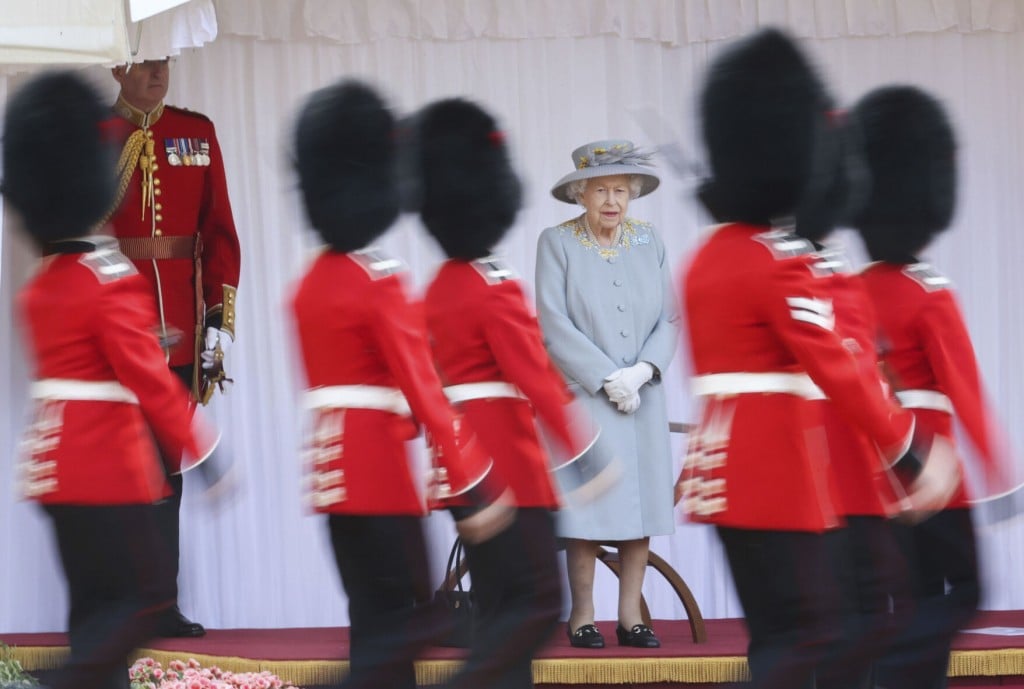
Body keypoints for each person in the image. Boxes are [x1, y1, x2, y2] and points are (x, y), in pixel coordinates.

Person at [674, 29, 955, 689]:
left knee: (785, 636)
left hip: (718, 475)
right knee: (810, 636)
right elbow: (837, 366)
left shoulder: (706, 256)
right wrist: (908, 451)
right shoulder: (775, 262)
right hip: (775, 475)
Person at [289, 80, 510, 689]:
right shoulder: (379, 279)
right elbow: (422, 388)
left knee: (372, 620)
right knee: (416, 617)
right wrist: (475, 480)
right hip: (379, 472)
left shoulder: (308, 285)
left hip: (331, 476)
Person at [4, 71, 217, 689]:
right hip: (107, 467)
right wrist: (205, 448)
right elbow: (148, 378)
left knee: (92, 613)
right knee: (143, 602)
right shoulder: (109, 276)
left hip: (51, 469)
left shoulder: (42, 284)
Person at [410, 97, 610, 688]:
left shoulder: (438, 288)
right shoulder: (493, 285)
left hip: (458, 465)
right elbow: (535, 376)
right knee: (535, 606)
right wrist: (583, 450)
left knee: (500, 607)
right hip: (507, 465)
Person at [850, 85, 1010, 689]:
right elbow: (964, 390)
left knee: (913, 601)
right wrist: (1002, 477)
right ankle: (893, 674)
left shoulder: (850, 290)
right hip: (935, 465)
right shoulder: (930, 292)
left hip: (877, 469)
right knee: (966, 592)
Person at [99, 57, 242, 637]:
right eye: (144, 62)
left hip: (179, 325)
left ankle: (159, 605)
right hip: (114, 328)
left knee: (167, 472)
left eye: (164, 61)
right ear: (117, 68)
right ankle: (114, 606)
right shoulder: (96, 138)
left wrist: (217, 321)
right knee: (113, 472)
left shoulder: (196, 133)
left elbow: (219, 233)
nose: (158, 72)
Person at [536, 139, 677, 649]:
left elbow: (670, 316)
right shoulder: (557, 242)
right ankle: (583, 617)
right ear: (580, 195)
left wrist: (642, 371)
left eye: (621, 189)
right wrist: (605, 377)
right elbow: (552, 321)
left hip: (643, 397)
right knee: (587, 513)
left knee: (639, 510)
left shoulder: (650, 240)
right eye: (601, 191)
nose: (612, 200)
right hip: (586, 397)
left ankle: (632, 617)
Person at [791, 110, 913, 689]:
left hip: (860, 457)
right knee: (829, 618)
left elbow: (867, 361)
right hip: (817, 459)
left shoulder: (838, 269)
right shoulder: (785, 266)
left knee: (869, 611)